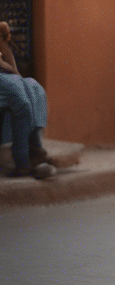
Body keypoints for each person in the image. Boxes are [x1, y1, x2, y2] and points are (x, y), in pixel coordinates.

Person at [0, 21, 55, 179]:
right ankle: (22, 161)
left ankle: (36, 152)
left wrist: (3, 44)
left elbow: (14, 70)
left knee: (34, 88)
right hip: (5, 78)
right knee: (21, 101)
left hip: (7, 76)